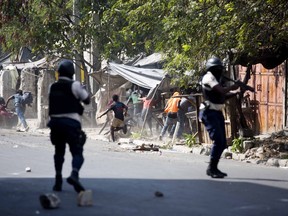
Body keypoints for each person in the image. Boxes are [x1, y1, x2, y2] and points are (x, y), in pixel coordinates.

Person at [47, 59, 91, 193]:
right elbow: (87, 100)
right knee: (77, 152)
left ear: (59, 72)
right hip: (71, 124)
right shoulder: (75, 85)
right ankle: (74, 174)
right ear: (72, 72)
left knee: (58, 152)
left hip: (55, 124)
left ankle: (58, 180)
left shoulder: (52, 86)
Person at [199, 57, 239, 178]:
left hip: (216, 112)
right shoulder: (209, 77)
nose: (219, 71)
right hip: (208, 112)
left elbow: (222, 97)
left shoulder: (216, 80)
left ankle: (214, 168)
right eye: (217, 69)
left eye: (220, 69)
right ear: (211, 69)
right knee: (218, 140)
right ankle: (211, 168)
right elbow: (221, 91)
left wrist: (236, 92)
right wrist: (233, 87)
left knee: (222, 143)